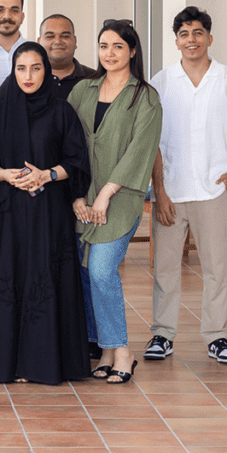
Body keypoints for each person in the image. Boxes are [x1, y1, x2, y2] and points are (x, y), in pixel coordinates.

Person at [146, 6, 227, 365]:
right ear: (176, 41)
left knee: (215, 269)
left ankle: (216, 337)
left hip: (212, 190)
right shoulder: (161, 82)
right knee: (165, 268)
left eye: (197, 33)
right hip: (172, 192)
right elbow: (151, 140)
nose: (191, 40)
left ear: (209, 38)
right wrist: (159, 191)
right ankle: (162, 335)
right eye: (183, 34)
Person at [0, 42, 91, 385]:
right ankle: (13, 365)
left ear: (47, 71)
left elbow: (77, 163)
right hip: (11, 213)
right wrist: (4, 175)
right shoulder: (0, 110)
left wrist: (46, 174)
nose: (28, 76)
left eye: (36, 68)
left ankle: (45, 363)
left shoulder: (61, 112)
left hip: (49, 214)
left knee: (46, 279)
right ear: (12, 71)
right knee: (13, 279)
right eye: (21, 68)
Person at [68, 20, 162, 384]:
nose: (110, 53)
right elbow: (69, 143)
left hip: (120, 198)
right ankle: (106, 350)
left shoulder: (146, 97)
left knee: (104, 271)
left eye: (118, 46)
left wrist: (105, 194)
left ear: (133, 51)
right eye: (104, 46)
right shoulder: (83, 90)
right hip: (81, 196)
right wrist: (78, 194)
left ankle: (123, 351)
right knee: (87, 273)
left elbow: (141, 150)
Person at [38, 14, 96, 100]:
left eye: (65, 36)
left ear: (75, 41)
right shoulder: (24, 79)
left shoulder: (96, 79)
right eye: (50, 36)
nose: (58, 41)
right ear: (39, 42)